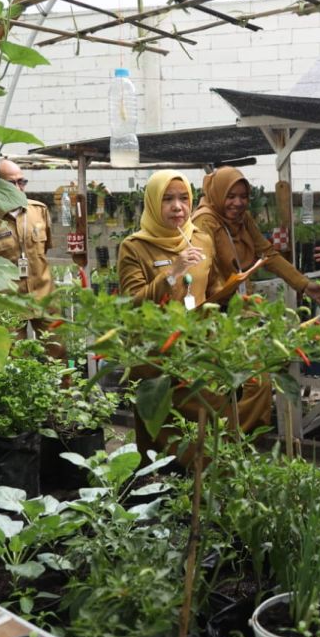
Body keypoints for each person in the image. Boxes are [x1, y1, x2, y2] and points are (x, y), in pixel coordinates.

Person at [117, 171, 221, 461]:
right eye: (168, 199)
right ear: (152, 203)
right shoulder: (134, 247)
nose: (178, 206)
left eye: (184, 198)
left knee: (204, 429)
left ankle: (201, 496)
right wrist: (172, 273)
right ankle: (160, 498)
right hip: (153, 354)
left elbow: (212, 288)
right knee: (158, 440)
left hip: (196, 350)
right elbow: (132, 304)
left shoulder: (202, 239)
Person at [193, 166, 320, 307]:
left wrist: (304, 284)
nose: (238, 203)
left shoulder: (242, 219)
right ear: (218, 193)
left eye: (243, 197)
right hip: (211, 305)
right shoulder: (204, 221)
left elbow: (268, 254)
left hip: (237, 299)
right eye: (230, 196)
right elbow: (203, 270)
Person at [0, 159, 54, 301]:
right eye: (11, 183)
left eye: (22, 182)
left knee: (56, 324)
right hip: (8, 300)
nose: (18, 188)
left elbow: (44, 250)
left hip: (43, 296)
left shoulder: (39, 211)